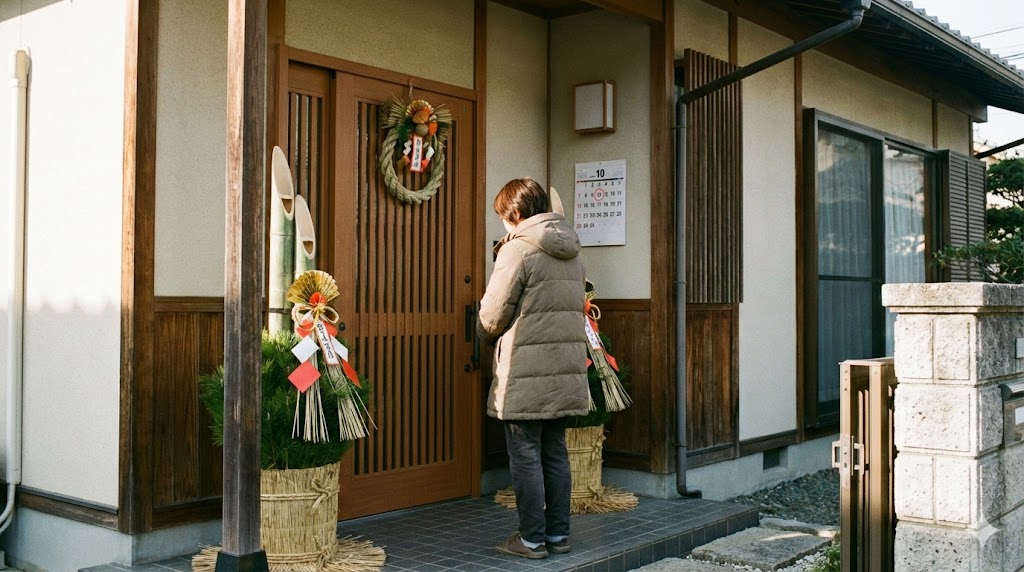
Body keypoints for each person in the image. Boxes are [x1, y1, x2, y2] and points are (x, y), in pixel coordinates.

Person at [477, 177, 590, 560]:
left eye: (502, 215)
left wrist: (481, 333)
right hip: (565, 372)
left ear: (515, 213)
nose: (502, 223)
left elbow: (492, 316)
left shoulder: (518, 249)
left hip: (525, 373)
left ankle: (530, 540)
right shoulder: (572, 250)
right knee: (555, 452)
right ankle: (558, 535)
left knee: (525, 454)